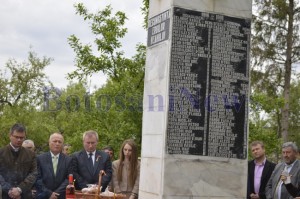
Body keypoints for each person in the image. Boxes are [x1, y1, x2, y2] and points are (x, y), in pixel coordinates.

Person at [0, 123, 37, 199]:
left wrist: (20, 189)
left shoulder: (31, 154)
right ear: (10, 135)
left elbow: (34, 173)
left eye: (22, 137)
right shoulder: (1, 153)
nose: (19, 140)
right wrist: (10, 190)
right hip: (6, 195)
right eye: (16, 137)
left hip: (25, 195)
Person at [35, 133, 71, 199]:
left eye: (59, 142)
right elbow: (37, 178)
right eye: (54, 141)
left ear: (62, 144)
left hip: (61, 196)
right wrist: (49, 193)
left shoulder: (68, 160)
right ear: (49, 142)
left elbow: (68, 178)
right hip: (44, 195)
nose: (57, 144)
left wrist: (56, 194)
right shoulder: (40, 159)